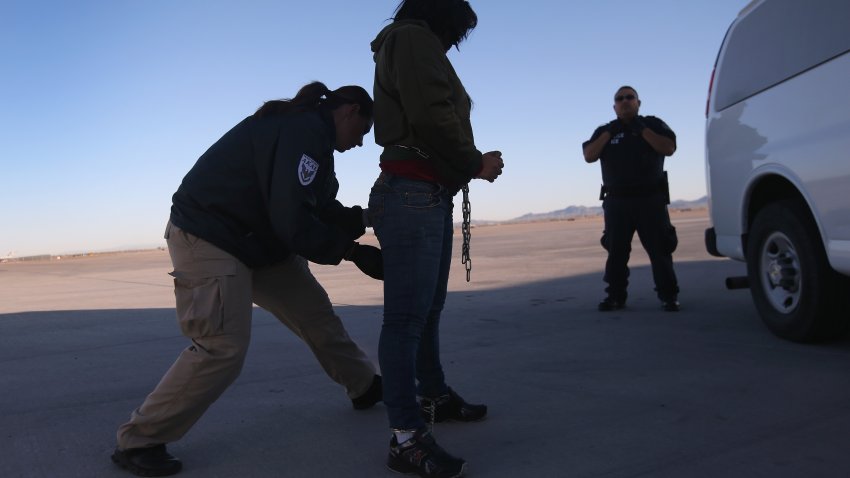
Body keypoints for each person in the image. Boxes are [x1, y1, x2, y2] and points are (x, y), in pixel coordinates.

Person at [111, 81, 385, 477]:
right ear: (349, 112)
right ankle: (139, 439)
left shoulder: (316, 146)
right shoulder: (303, 131)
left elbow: (317, 208)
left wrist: (363, 218)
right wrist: (353, 252)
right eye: (362, 132)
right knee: (221, 346)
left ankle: (364, 386)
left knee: (316, 316)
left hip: (259, 243)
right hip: (211, 236)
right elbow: (292, 219)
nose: (361, 143)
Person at [368, 1, 504, 476]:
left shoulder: (412, 42)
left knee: (427, 311)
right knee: (406, 318)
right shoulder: (411, 38)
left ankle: (433, 397)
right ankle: (405, 436)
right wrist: (473, 163)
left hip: (426, 193)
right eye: (457, 33)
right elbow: (430, 113)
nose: (454, 44)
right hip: (411, 193)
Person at [582, 85, 680, 313]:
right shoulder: (605, 130)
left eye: (630, 97)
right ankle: (615, 297)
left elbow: (668, 148)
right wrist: (610, 132)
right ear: (614, 106)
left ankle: (669, 296)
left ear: (638, 102)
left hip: (650, 200)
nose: (625, 101)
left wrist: (641, 129)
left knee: (660, 250)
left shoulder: (653, 124)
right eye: (620, 99)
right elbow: (589, 155)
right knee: (616, 252)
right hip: (617, 203)